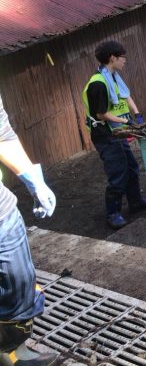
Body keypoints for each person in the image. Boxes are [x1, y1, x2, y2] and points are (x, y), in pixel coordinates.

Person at [0, 95, 57, 366]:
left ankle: (14, 351)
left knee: (19, 285)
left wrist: (32, 180)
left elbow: (2, 133)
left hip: (1, 213)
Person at [82, 41, 146, 230]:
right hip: (105, 135)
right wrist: (127, 122)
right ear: (112, 58)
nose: (124, 61)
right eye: (122, 57)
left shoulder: (113, 76)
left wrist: (137, 114)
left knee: (131, 166)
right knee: (118, 172)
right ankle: (112, 213)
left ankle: (135, 202)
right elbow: (101, 114)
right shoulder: (98, 84)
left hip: (118, 132)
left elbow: (125, 95)